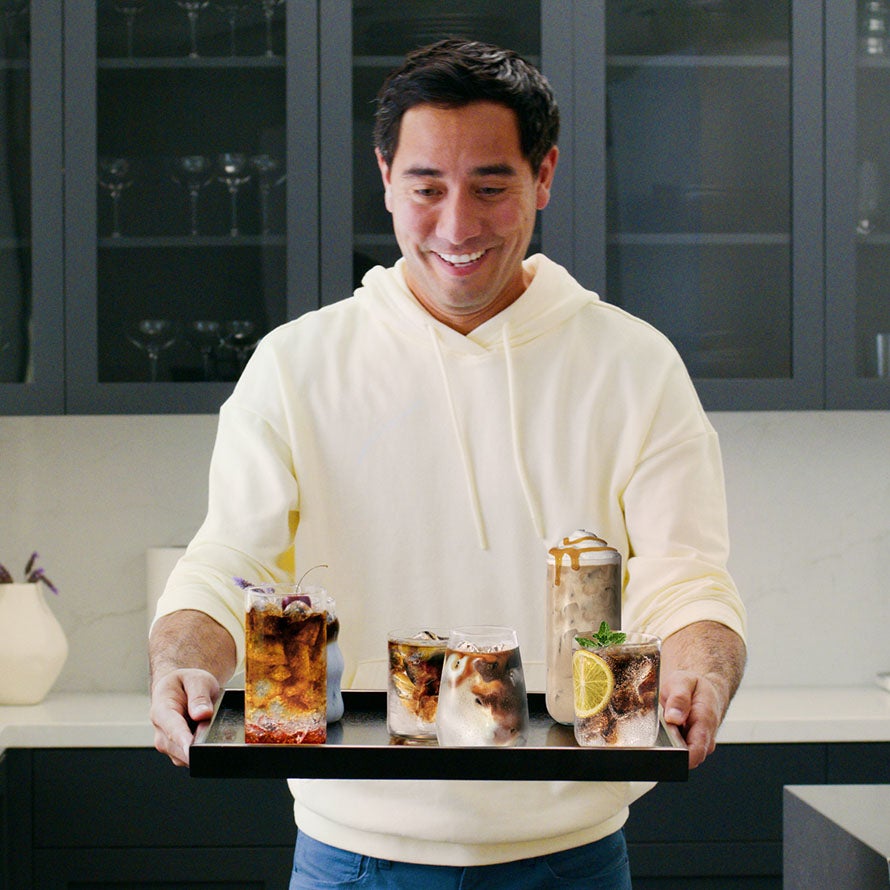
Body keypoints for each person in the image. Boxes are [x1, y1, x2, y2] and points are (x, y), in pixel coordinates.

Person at [150, 38, 747, 890]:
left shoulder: (633, 364)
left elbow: (685, 574)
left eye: (492, 187)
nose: (457, 226)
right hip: (353, 855)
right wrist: (184, 658)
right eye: (427, 188)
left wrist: (699, 673)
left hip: (571, 856)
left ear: (544, 177)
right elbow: (230, 561)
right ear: (386, 176)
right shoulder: (296, 366)